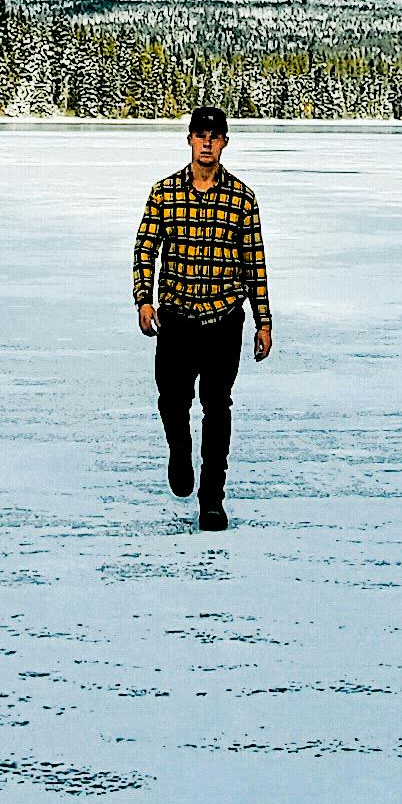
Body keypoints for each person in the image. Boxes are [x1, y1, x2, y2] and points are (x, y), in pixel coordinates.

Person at [132, 103, 271, 528]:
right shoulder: (163, 193)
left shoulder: (242, 198)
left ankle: (212, 499)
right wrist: (144, 300)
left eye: (214, 136)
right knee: (172, 400)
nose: (206, 143)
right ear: (189, 139)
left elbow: (254, 262)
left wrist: (263, 321)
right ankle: (179, 450)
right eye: (200, 135)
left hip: (223, 321)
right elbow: (145, 249)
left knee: (217, 407)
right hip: (176, 319)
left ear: (225, 142)